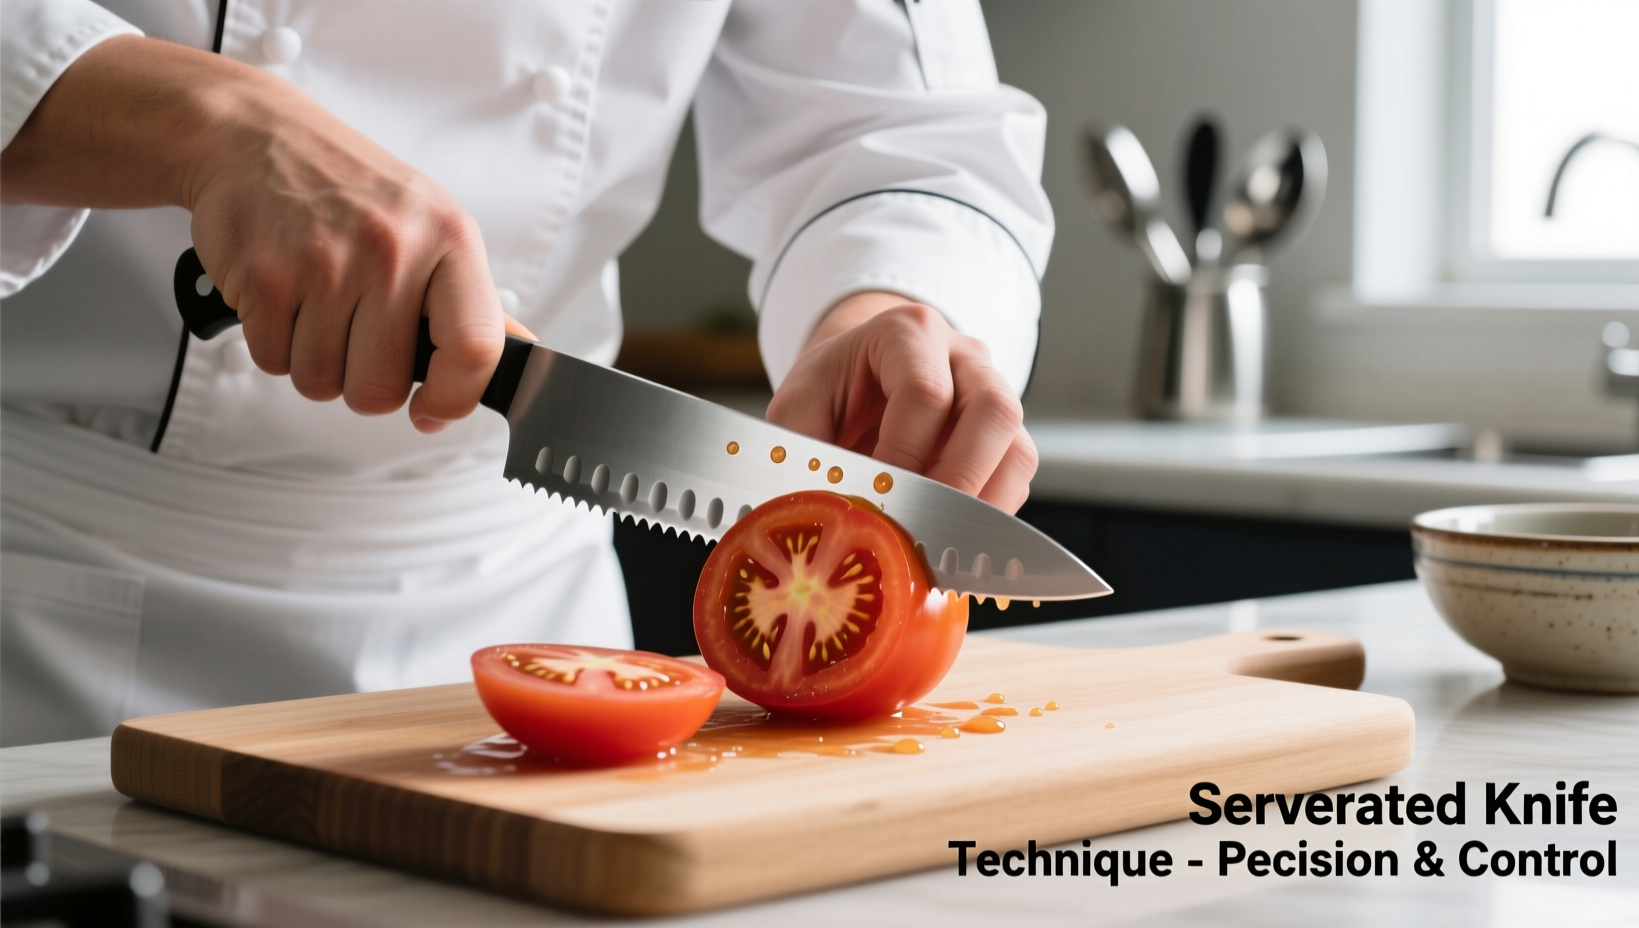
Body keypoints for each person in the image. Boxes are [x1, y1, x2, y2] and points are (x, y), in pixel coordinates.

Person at [0, 0, 1052, 746]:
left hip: (512, 627)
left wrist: (883, 297)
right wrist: (205, 119)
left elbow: (894, 118)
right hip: (39, 601)